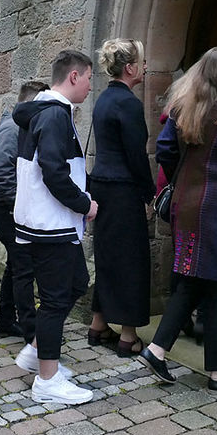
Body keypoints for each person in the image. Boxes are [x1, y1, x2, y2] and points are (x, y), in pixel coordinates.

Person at [139, 46, 217, 391]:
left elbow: (164, 150)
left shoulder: (185, 105)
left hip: (187, 204)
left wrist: (182, 180)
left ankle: (157, 349)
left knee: (191, 280)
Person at [12, 49, 98, 405]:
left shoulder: (52, 113)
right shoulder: (54, 116)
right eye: (90, 78)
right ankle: (47, 379)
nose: (92, 86)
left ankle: (36, 352)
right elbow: (53, 172)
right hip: (50, 226)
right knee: (54, 300)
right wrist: (85, 204)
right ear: (74, 76)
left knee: (77, 282)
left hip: (52, 224)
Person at [87, 39, 155, 357]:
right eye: (142, 62)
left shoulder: (103, 99)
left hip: (103, 186)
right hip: (123, 190)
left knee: (108, 256)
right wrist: (149, 191)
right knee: (130, 259)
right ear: (130, 69)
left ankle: (99, 323)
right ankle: (128, 336)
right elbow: (136, 155)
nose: (145, 67)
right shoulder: (127, 103)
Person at [0, 80, 49, 342]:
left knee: (16, 264)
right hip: (6, 207)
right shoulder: (12, 128)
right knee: (23, 266)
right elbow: (1, 172)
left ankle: (6, 321)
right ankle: (30, 331)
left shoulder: (21, 125)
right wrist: (19, 206)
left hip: (12, 206)